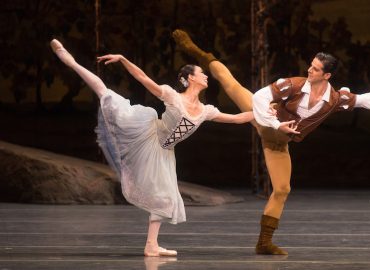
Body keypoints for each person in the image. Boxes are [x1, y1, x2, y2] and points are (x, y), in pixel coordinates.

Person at [171, 29, 370, 255]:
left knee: (283, 189)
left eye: (316, 69)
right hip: (263, 120)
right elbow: (261, 98)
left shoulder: (336, 99)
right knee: (228, 82)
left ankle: (264, 243)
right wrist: (273, 123)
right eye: (311, 65)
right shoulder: (292, 85)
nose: (309, 69)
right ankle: (195, 50)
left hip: (277, 144)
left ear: (326, 76)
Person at [50, 39, 254, 257]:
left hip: (164, 153)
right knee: (106, 93)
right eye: (201, 73)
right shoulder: (173, 96)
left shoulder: (205, 110)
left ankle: (151, 246)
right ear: (190, 78)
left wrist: (267, 114)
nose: (206, 76)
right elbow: (143, 78)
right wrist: (123, 59)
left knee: (164, 198)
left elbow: (237, 118)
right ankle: (70, 61)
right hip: (148, 136)